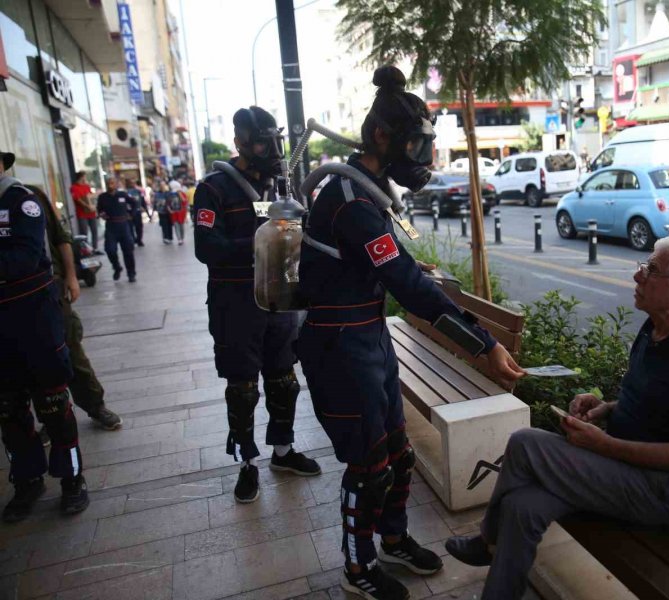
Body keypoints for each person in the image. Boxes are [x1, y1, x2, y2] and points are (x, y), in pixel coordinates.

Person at [296, 66, 525, 600]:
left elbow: (384, 267)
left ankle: (394, 538)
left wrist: (409, 270)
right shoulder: (352, 202)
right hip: (339, 349)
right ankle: (358, 570)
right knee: (368, 465)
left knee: (396, 453)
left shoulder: (365, 195)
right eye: (417, 145)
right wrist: (483, 344)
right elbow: (406, 288)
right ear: (382, 137)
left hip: (366, 339)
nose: (423, 159)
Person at [446, 236, 669, 599]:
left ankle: (485, 541)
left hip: (663, 490)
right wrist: (606, 409)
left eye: (650, 270)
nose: (638, 276)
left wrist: (604, 444)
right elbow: (655, 404)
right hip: (621, 473)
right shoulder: (656, 329)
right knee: (523, 507)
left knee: (524, 443)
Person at [194, 106, 321, 506]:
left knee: (284, 380)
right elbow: (205, 247)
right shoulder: (214, 188)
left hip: (279, 300)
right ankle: (247, 462)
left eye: (275, 141)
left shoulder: (279, 188)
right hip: (236, 305)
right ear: (241, 143)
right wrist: (260, 241)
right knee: (244, 387)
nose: (272, 150)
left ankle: (283, 452)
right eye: (264, 142)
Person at [0, 149, 90, 522]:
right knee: (9, 409)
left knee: (53, 404)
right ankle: (27, 479)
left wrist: (70, 277)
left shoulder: (22, 202)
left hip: (34, 320)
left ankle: (72, 479)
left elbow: (25, 256)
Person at [27, 185, 123, 432]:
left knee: (71, 351)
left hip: (51, 291)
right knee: (30, 361)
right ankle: (51, 416)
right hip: (12, 301)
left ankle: (95, 405)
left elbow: (61, 238)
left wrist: (71, 276)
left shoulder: (29, 195)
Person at [96, 177, 137, 282]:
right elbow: (99, 209)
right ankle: (117, 267)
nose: (110, 185)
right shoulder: (102, 197)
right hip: (111, 226)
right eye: (108, 183)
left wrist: (131, 215)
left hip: (123, 225)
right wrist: (101, 214)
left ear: (116, 184)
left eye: (112, 183)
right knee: (110, 249)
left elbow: (134, 203)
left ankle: (131, 274)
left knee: (128, 250)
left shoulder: (122, 195)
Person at [70, 171, 100, 254]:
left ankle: (95, 248)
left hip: (91, 213)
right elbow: (78, 199)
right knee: (84, 232)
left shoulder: (86, 186)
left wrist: (93, 205)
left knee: (94, 231)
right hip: (82, 213)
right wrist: (87, 206)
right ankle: (86, 250)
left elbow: (90, 197)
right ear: (81, 177)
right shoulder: (74, 187)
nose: (85, 178)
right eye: (84, 176)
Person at [124, 178, 150, 247]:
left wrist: (145, 209)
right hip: (129, 212)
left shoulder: (138, 191)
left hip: (137, 211)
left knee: (139, 227)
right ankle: (132, 240)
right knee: (130, 228)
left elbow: (142, 201)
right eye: (131, 183)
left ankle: (139, 240)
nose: (132, 184)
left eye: (133, 183)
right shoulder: (125, 192)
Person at [167, 181, 187, 245]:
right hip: (174, 213)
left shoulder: (182, 193)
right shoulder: (170, 194)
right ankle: (179, 239)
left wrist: (179, 193)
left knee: (182, 227)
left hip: (181, 213)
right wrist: (169, 210)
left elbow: (184, 201)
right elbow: (168, 203)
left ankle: (182, 238)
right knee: (176, 226)